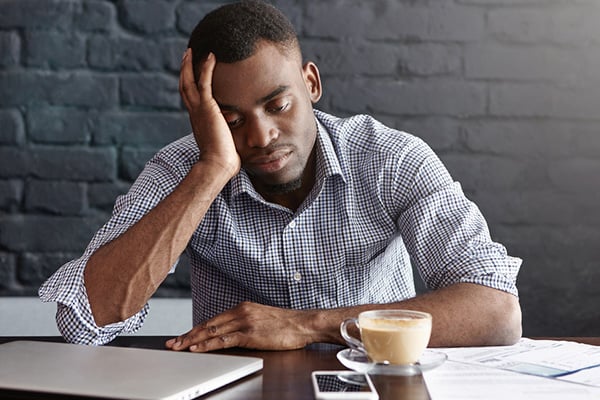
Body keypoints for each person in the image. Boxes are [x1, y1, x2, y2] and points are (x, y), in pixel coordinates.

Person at [39, 0, 522, 351]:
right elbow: (84, 320)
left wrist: (309, 325)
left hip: (375, 384)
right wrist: (212, 170)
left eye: (277, 105)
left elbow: (497, 314)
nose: (262, 136)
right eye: (232, 119)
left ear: (310, 83)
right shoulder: (183, 170)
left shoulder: (389, 159)